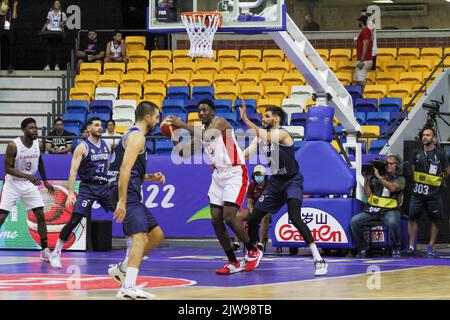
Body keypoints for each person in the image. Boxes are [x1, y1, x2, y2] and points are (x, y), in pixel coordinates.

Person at [166, 99, 258, 275]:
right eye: (199, 110)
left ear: (212, 111)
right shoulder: (201, 133)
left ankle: (253, 250)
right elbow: (184, 153)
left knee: (229, 217)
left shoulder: (220, 122)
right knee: (216, 219)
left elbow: (208, 136)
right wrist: (172, 136)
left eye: (205, 110)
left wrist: (182, 124)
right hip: (218, 176)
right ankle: (232, 261)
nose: (201, 113)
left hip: (234, 173)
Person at [240, 103, 328, 276]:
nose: (264, 118)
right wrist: (232, 162)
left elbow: (266, 136)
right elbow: (248, 152)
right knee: (252, 220)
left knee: (295, 218)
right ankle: (253, 252)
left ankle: (319, 259)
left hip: (292, 181)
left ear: (277, 119)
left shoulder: (283, 134)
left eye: (267, 116)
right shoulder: (261, 137)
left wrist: (245, 120)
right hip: (274, 183)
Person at [108, 101, 165, 300]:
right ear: (147, 117)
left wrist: (150, 177)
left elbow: (131, 170)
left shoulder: (133, 136)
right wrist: (122, 201)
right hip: (127, 193)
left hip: (130, 190)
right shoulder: (137, 137)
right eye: (156, 117)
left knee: (156, 236)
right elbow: (124, 169)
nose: (158, 121)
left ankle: (122, 268)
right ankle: (127, 286)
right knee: (139, 237)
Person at [49, 118, 114, 268]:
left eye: (101, 125)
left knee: (121, 211)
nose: (100, 127)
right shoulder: (82, 147)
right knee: (75, 220)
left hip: (103, 188)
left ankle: (131, 251)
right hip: (88, 188)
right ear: (88, 128)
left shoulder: (108, 146)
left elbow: (107, 165)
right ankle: (56, 253)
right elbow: (73, 171)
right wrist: (71, 192)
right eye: (96, 125)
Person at [0, 118, 55, 260]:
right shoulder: (13, 145)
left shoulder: (39, 144)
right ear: (23, 129)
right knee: (2, 216)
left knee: (40, 214)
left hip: (29, 184)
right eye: (31, 128)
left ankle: (44, 250)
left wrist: (45, 181)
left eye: (35, 128)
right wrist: (28, 176)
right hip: (13, 183)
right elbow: (7, 169)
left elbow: (40, 161)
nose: (35, 130)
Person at [406, 127, 450, 256]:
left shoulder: (441, 153)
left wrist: (438, 180)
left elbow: (447, 171)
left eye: (428, 135)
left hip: (434, 194)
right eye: (423, 135)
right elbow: (413, 170)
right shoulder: (416, 152)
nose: (425, 137)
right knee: (412, 218)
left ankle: (430, 246)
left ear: (434, 138)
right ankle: (411, 246)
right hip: (417, 193)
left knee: (434, 219)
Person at [350, 155, 405, 258]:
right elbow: (368, 194)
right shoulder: (375, 177)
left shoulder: (400, 179)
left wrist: (379, 177)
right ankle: (363, 248)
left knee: (393, 222)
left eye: (391, 163)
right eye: (386, 163)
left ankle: (396, 248)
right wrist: (367, 177)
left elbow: (393, 188)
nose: (388, 165)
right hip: (373, 209)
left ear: (397, 166)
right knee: (354, 221)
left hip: (390, 210)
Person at [232, 165, 271, 252]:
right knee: (237, 216)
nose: (258, 177)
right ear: (254, 176)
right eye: (257, 175)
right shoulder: (252, 186)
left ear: (265, 176)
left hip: (267, 210)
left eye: (260, 175)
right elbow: (249, 202)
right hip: (254, 210)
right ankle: (236, 243)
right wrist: (251, 210)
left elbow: (272, 202)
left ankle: (260, 244)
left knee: (265, 218)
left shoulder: (270, 185)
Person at [41, 0, 67, 71]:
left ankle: (57, 65)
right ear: (54, 5)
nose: (57, 5)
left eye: (58, 4)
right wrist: (43, 30)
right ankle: (48, 65)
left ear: (60, 5)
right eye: (56, 3)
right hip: (51, 32)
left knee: (58, 49)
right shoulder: (50, 13)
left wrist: (63, 24)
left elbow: (66, 24)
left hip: (58, 33)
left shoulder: (62, 14)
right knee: (49, 49)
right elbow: (47, 22)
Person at [353, 15, 373, 88]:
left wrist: (362, 59)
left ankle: (373, 89)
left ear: (362, 22)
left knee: (361, 81)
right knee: (356, 82)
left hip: (364, 60)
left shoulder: (365, 31)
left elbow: (366, 43)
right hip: (364, 59)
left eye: (359, 22)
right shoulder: (364, 31)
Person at [0, 0, 18, 73]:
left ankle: (10, 65)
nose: (6, 1)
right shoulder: (1, 7)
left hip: (9, 30)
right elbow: (2, 12)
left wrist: (14, 6)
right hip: (1, 29)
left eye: (7, 0)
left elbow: (14, 17)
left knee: (10, 47)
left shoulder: (10, 9)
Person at [361, 8, 377, 72]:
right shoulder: (367, 24)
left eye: (363, 16)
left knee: (369, 72)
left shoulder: (370, 24)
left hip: (370, 51)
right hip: (369, 51)